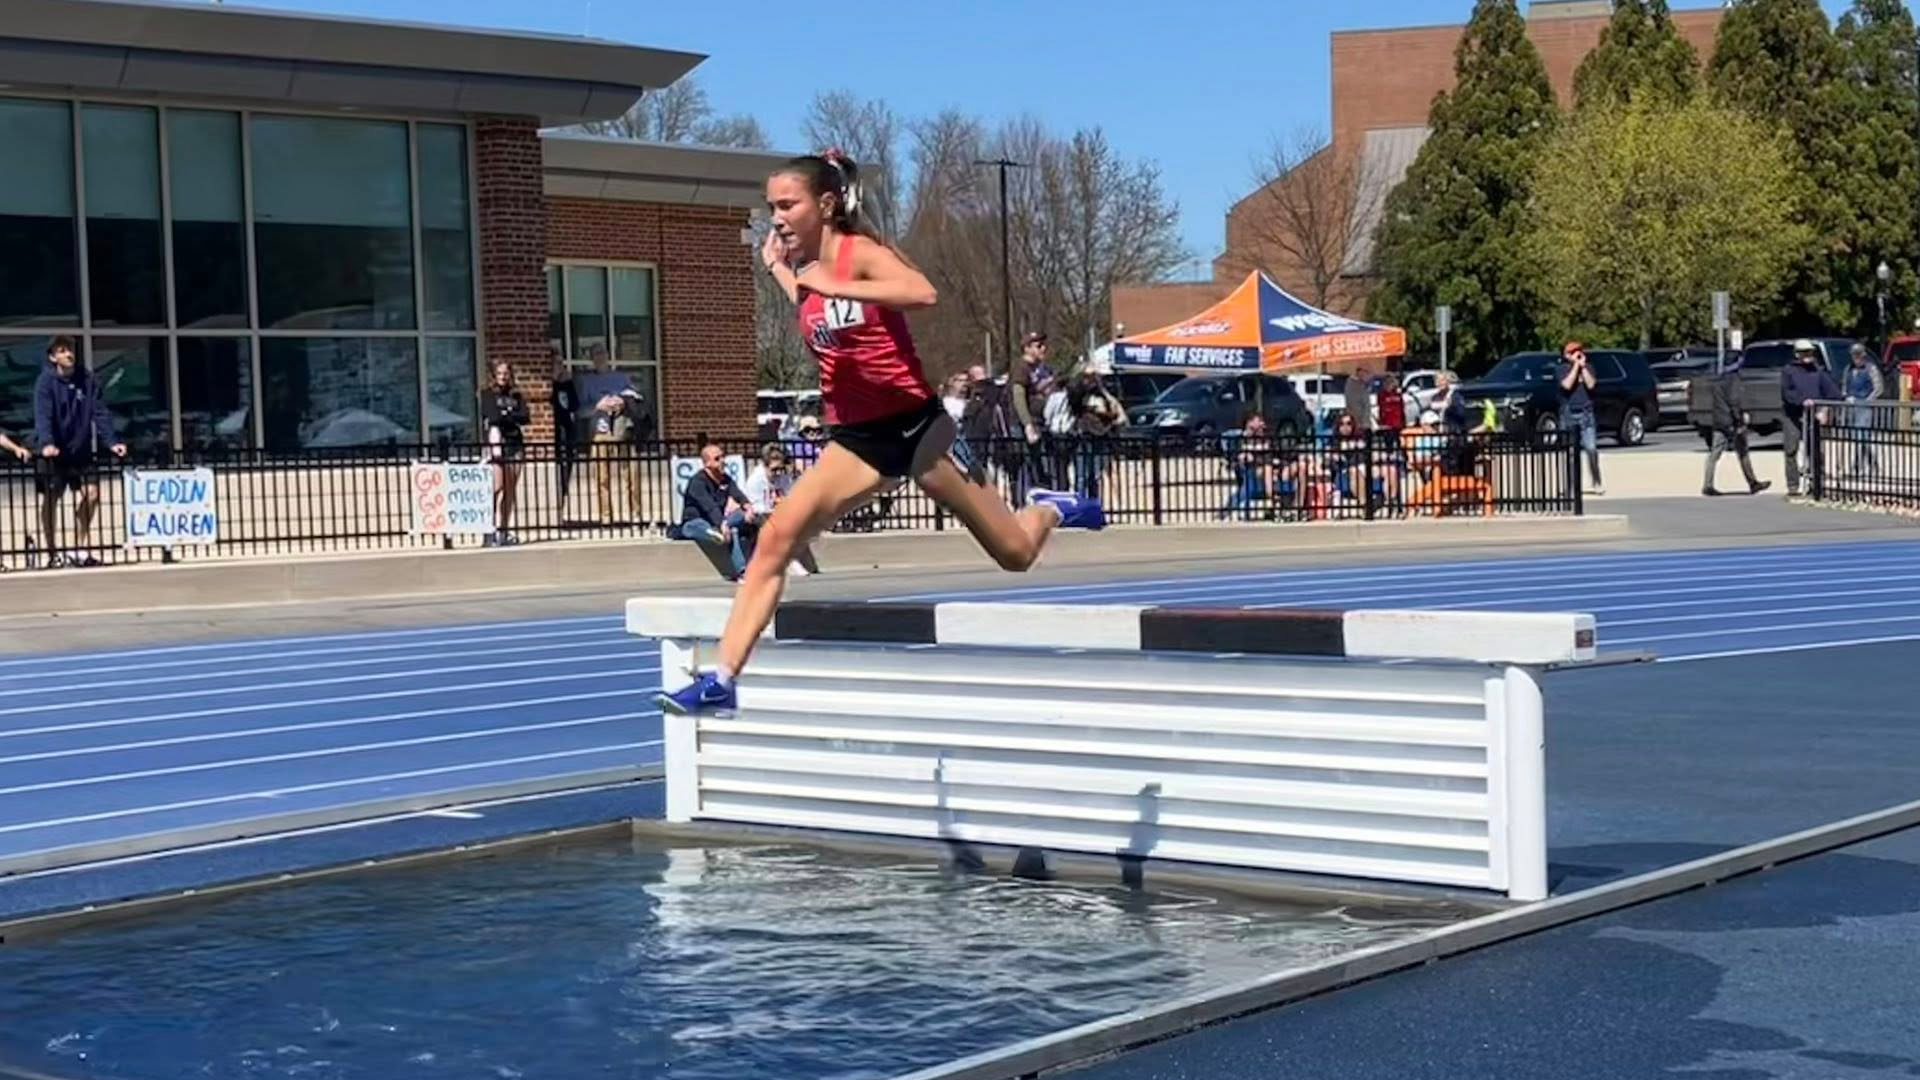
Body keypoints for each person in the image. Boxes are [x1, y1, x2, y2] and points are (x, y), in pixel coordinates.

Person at [658, 150, 1101, 715]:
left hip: (920, 430)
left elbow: (922, 293)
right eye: (772, 207)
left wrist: (841, 285)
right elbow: (813, 305)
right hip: (857, 442)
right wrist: (779, 270)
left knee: (1014, 553)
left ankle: (1049, 508)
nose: (777, 217)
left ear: (826, 205)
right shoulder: (808, 274)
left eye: (788, 205)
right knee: (774, 540)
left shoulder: (859, 254)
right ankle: (723, 679)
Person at [34, 336, 125, 568]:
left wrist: (112, 442)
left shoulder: (87, 379)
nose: (68, 354)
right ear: (53, 357)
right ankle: (52, 551)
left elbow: (100, 412)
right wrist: (47, 443)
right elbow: (43, 415)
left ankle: (78, 548)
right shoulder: (46, 382)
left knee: (92, 495)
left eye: (71, 350)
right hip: (55, 452)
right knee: (51, 498)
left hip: (80, 451)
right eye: (62, 351)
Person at [677, 443, 757, 580]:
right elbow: (709, 506)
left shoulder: (725, 479)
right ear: (707, 463)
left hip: (719, 521)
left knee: (743, 519)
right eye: (717, 459)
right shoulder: (698, 482)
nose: (723, 461)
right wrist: (721, 523)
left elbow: (738, 495)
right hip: (696, 522)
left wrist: (748, 508)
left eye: (723, 457)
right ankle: (715, 534)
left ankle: (719, 534)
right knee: (699, 526)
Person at [743, 441, 819, 575]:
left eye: (780, 469)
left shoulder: (783, 478)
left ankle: (804, 561)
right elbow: (755, 506)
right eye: (774, 470)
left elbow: (789, 496)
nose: (778, 473)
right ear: (765, 466)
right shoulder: (755, 480)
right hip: (760, 516)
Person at [1702, 355, 1770, 497]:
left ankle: (1708, 484)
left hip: (1719, 419)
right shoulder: (1733, 379)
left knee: (1715, 453)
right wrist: (1739, 420)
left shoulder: (1719, 378)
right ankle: (1752, 483)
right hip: (1731, 421)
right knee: (1742, 451)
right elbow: (1734, 401)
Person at [1781, 339, 1841, 497]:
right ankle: (1793, 486)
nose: (1808, 355)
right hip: (1793, 415)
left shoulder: (1818, 371)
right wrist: (1802, 401)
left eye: (1810, 352)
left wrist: (1825, 408)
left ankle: (1816, 484)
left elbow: (1833, 392)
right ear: (1797, 354)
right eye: (1804, 352)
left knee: (1815, 450)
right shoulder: (1788, 371)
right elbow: (1787, 393)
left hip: (1813, 415)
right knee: (1791, 449)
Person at [480, 358, 529, 546]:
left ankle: (504, 530)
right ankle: (488, 530)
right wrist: (509, 415)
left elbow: (525, 417)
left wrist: (507, 414)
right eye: (499, 373)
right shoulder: (487, 393)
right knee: (496, 487)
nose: (503, 377)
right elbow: (492, 416)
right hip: (496, 445)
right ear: (493, 375)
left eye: (506, 373)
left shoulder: (516, 394)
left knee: (510, 490)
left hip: (515, 444)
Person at [1557, 341, 1603, 495]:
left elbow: (1591, 385)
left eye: (1579, 351)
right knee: (1570, 453)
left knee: (1591, 449)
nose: (1577, 354)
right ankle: (1571, 487)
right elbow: (1567, 385)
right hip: (1569, 414)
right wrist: (1575, 367)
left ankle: (1596, 482)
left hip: (1586, 414)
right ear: (1566, 355)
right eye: (1572, 352)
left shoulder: (1589, 368)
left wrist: (1582, 367)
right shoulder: (1561, 369)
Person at [1841, 342, 1884, 477]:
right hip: (1852, 407)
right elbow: (1844, 386)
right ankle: (1872, 465)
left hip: (1865, 407)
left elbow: (1878, 388)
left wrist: (1867, 400)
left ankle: (1858, 466)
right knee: (1858, 438)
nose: (1857, 358)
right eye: (1854, 355)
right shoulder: (1848, 369)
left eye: (1859, 355)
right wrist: (1847, 396)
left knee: (1862, 437)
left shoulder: (1871, 369)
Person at [550, 348, 580, 509]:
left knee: (567, 466)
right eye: (556, 363)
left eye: (561, 363)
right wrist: (554, 381)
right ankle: (556, 503)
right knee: (557, 468)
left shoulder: (567, 385)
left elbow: (575, 405)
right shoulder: (549, 386)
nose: (560, 367)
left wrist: (567, 383)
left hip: (567, 430)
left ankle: (562, 500)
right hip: (554, 431)